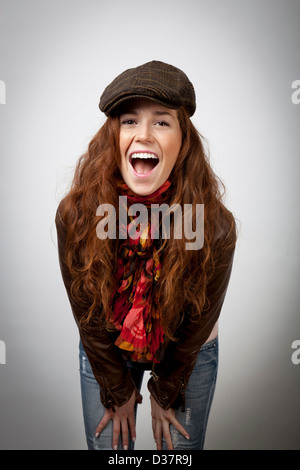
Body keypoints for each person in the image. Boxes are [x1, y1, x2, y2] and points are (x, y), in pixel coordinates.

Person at [55, 60, 237, 451]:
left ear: (183, 141)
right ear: (113, 137)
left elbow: (200, 317)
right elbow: (86, 311)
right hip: (107, 348)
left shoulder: (216, 226)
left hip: (185, 350)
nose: (144, 134)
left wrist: (167, 389)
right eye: (129, 121)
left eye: (162, 122)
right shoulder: (77, 215)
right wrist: (118, 391)